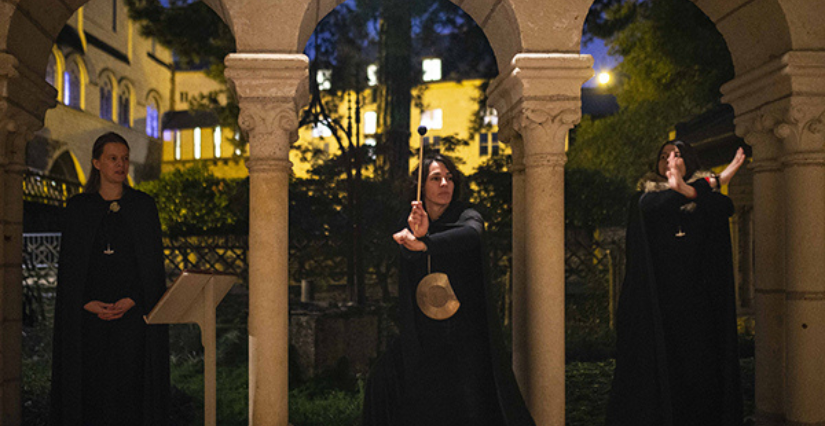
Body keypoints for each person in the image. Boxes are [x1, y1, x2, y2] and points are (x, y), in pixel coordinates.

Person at [362, 153, 535, 426]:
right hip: (425, 334)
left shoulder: (467, 215)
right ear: (421, 188)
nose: (445, 184)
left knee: (468, 404)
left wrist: (427, 242)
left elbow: (472, 234)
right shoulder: (411, 220)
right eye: (436, 178)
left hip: (464, 333)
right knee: (383, 382)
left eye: (449, 178)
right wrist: (413, 239)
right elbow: (409, 261)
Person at [606, 140, 747, 426]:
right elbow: (657, 205)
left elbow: (726, 207)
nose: (670, 159)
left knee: (697, 374)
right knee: (661, 372)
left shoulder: (706, 199)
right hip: (657, 302)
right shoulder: (645, 196)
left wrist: (691, 189)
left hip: (698, 305)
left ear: (690, 161)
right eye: (664, 155)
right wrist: (711, 183)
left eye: (678, 154)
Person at [50, 132, 169, 426]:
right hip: (89, 320)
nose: (120, 165)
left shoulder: (143, 207)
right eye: (113, 158)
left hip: (130, 318)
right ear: (97, 163)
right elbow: (71, 269)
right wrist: (86, 303)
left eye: (125, 159)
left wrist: (133, 299)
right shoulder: (79, 208)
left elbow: (152, 267)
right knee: (92, 391)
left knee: (129, 392)